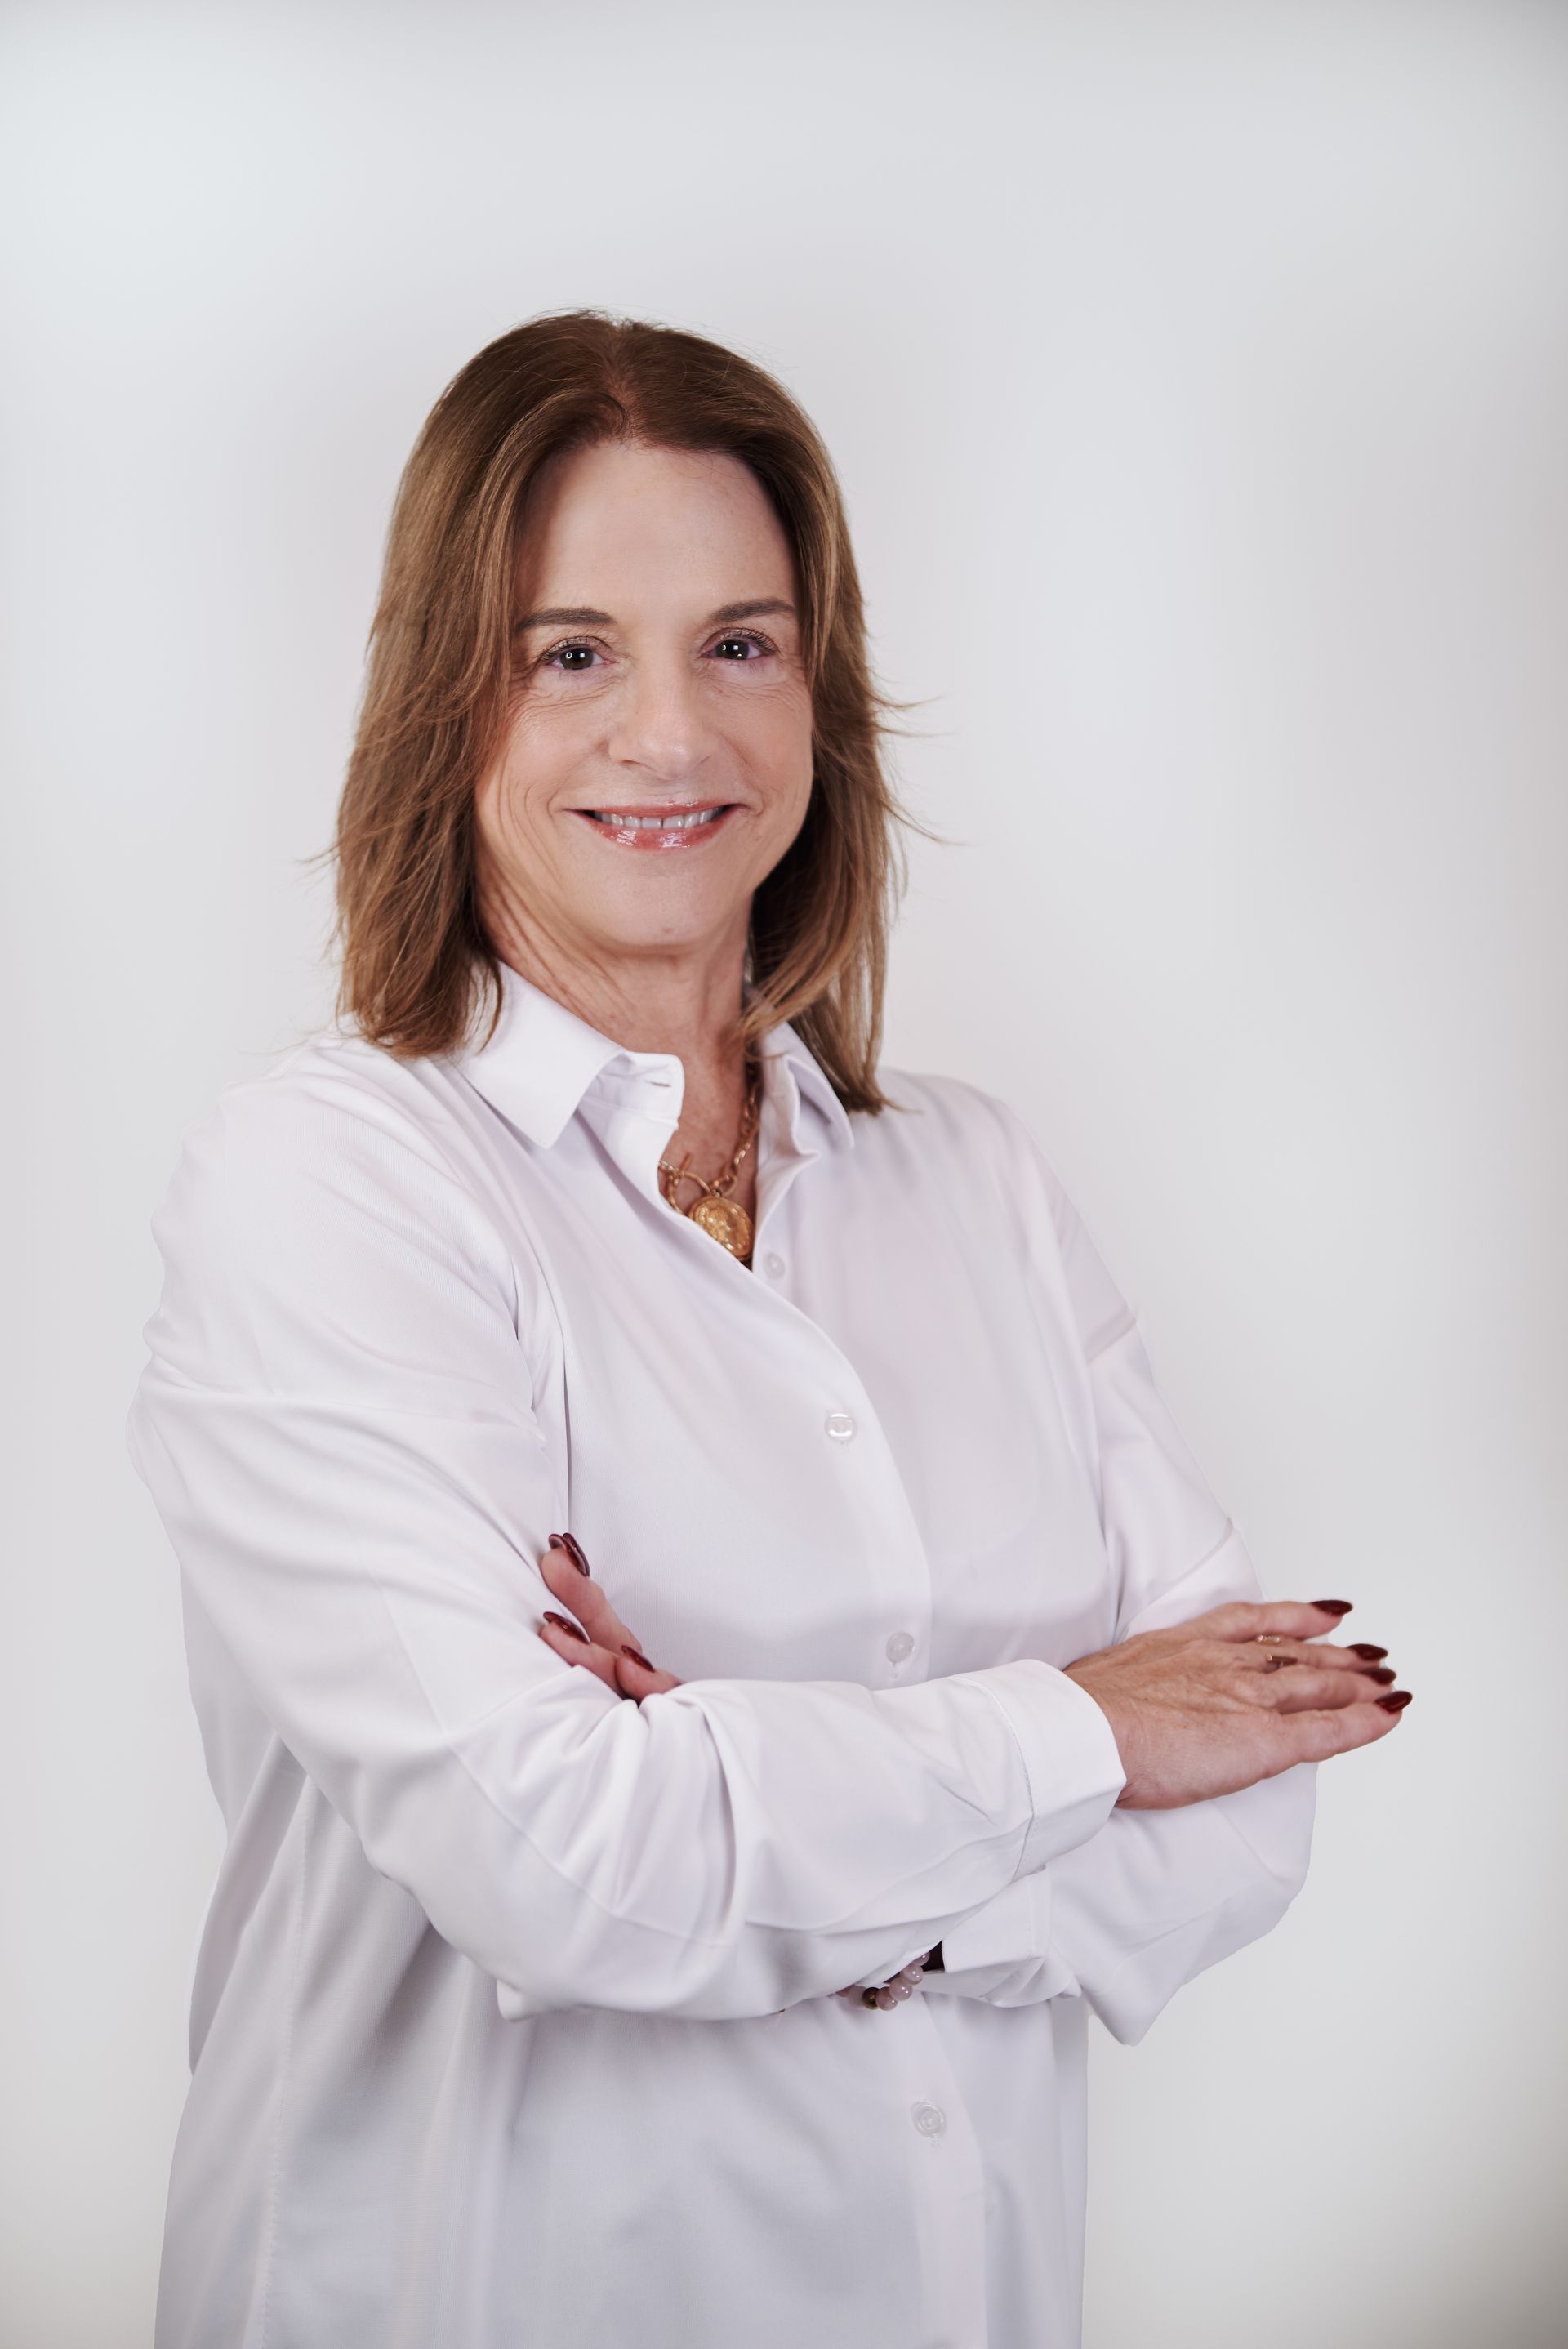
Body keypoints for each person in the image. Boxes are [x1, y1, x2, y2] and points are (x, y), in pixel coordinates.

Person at [127, 310, 1410, 2349]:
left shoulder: (971, 1180)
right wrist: (1085, 1728)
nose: (674, 735)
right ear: (445, 701)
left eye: (742, 642)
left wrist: (738, 1790)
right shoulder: (336, 1182)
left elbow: (1251, 1787)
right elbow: (556, 1857)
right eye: (574, 652)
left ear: (824, 694)